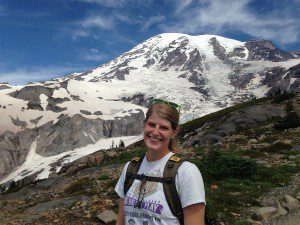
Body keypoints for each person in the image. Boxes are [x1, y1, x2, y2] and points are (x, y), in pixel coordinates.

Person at [115, 99, 206, 225]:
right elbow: (121, 221)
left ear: (174, 132)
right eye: (151, 125)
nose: (155, 132)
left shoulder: (186, 172)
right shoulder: (131, 168)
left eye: (164, 128)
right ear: (144, 124)